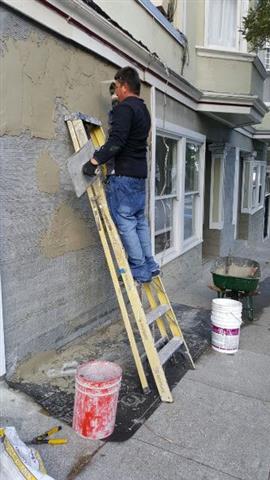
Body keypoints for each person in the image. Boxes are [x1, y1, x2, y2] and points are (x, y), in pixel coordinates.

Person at [86, 66, 159, 283]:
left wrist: (94, 161)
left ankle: (139, 270)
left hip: (124, 176)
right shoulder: (143, 110)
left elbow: (116, 142)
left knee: (125, 222)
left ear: (125, 87)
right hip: (139, 176)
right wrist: (115, 107)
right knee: (139, 220)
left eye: (117, 86)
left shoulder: (124, 110)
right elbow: (128, 134)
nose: (115, 90)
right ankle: (150, 264)